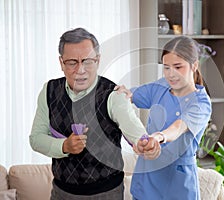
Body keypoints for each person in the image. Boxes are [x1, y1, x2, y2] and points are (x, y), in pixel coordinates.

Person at [29, 27, 161, 200]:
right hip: (61, 192)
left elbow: (136, 133)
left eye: (87, 61)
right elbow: (36, 138)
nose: (80, 70)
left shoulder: (114, 95)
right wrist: (64, 146)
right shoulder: (49, 90)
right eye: (72, 62)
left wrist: (146, 145)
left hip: (106, 193)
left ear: (97, 61)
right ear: (61, 63)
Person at [119, 36, 212, 200]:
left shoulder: (201, 103)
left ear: (194, 65)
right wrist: (121, 94)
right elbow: (131, 96)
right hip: (146, 182)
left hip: (178, 185)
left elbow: (178, 127)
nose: (171, 74)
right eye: (166, 67)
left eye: (178, 67)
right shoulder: (161, 86)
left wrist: (158, 137)